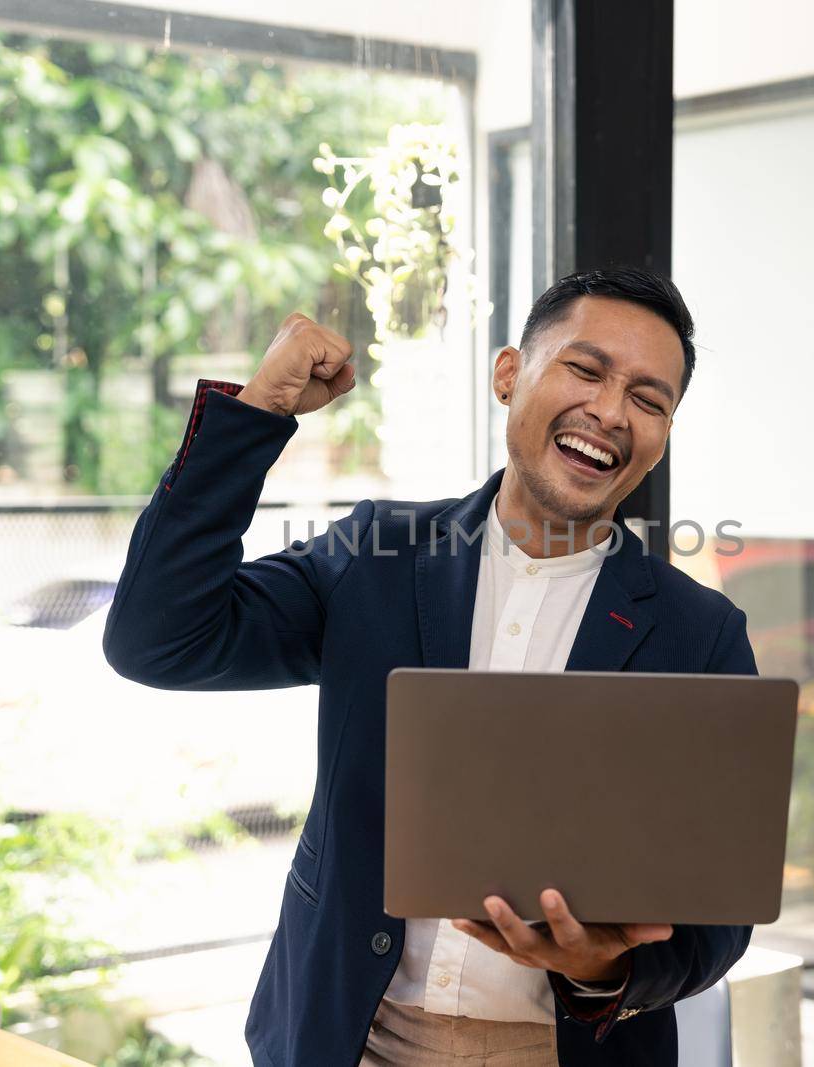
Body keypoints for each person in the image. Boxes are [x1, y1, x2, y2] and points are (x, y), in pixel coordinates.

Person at [102, 266, 758, 1067]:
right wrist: (259, 413)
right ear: (509, 374)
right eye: (585, 369)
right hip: (347, 1039)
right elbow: (157, 638)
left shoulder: (702, 637)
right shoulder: (375, 558)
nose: (611, 411)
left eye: (649, 399)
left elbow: (717, 922)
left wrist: (602, 968)